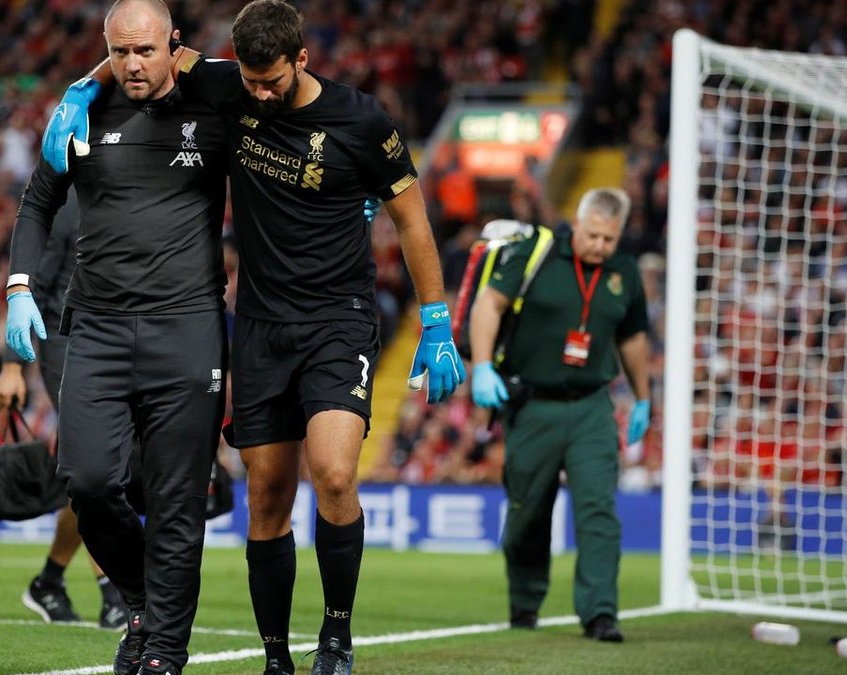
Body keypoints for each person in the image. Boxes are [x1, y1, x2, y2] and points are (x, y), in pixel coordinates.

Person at [45, 2, 465, 672]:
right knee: (267, 494)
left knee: (333, 473)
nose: (260, 95)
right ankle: (276, 657)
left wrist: (436, 320)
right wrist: (80, 89)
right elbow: (150, 52)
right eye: (250, 81)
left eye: (272, 81)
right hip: (262, 326)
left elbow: (412, 220)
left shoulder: (360, 120)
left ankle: (336, 636)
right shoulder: (228, 86)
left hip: (338, 319)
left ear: (302, 58)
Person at [5, 1, 229, 672]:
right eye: (119, 51)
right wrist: (18, 287)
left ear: (174, 45)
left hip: (186, 329)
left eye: (146, 51)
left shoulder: (214, 104)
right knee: (89, 481)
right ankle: (141, 601)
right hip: (97, 330)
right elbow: (37, 204)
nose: (132, 64)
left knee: (177, 501)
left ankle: (163, 650)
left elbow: (272, 85)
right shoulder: (81, 115)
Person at [469, 187, 651, 644]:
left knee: (599, 510)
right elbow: (489, 303)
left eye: (610, 239)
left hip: (592, 406)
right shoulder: (537, 252)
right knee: (527, 513)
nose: (600, 246)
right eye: (593, 236)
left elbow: (632, 338)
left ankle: (600, 614)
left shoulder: (624, 271)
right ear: (578, 222)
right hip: (533, 405)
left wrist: (643, 398)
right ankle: (525, 603)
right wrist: (483, 366)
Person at [0, 192, 129, 630]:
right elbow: (33, 285)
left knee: (94, 472)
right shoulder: (70, 203)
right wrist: (12, 366)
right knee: (97, 460)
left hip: (114, 341)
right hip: (65, 342)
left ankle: (49, 580)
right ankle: (113, 591)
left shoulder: (128, 189)